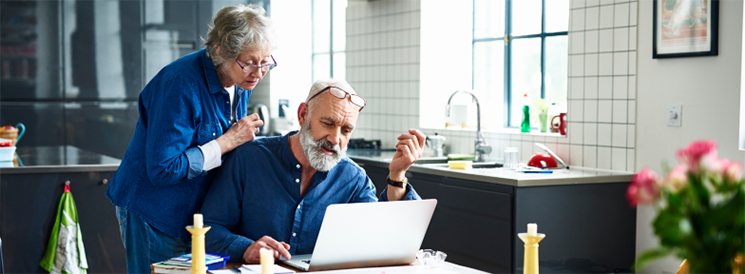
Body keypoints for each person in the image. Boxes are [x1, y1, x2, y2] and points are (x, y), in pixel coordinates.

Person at [105, 4, 276, 273]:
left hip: (193, 215)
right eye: (250, 62)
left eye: (266, 61)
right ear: (220, 51)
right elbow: (163, 169)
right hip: (155, 212)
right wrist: (227, 141)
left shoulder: (241, 80)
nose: (259, 72)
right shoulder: (181, 84)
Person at [200, 79, 426, 263]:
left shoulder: (353, 179)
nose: (336, 139)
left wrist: (397, 176)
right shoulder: (249, 158)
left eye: (346, 130)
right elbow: (207, 230)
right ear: (302, 115)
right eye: (328, 123)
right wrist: (246, 248)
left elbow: (381, 239)